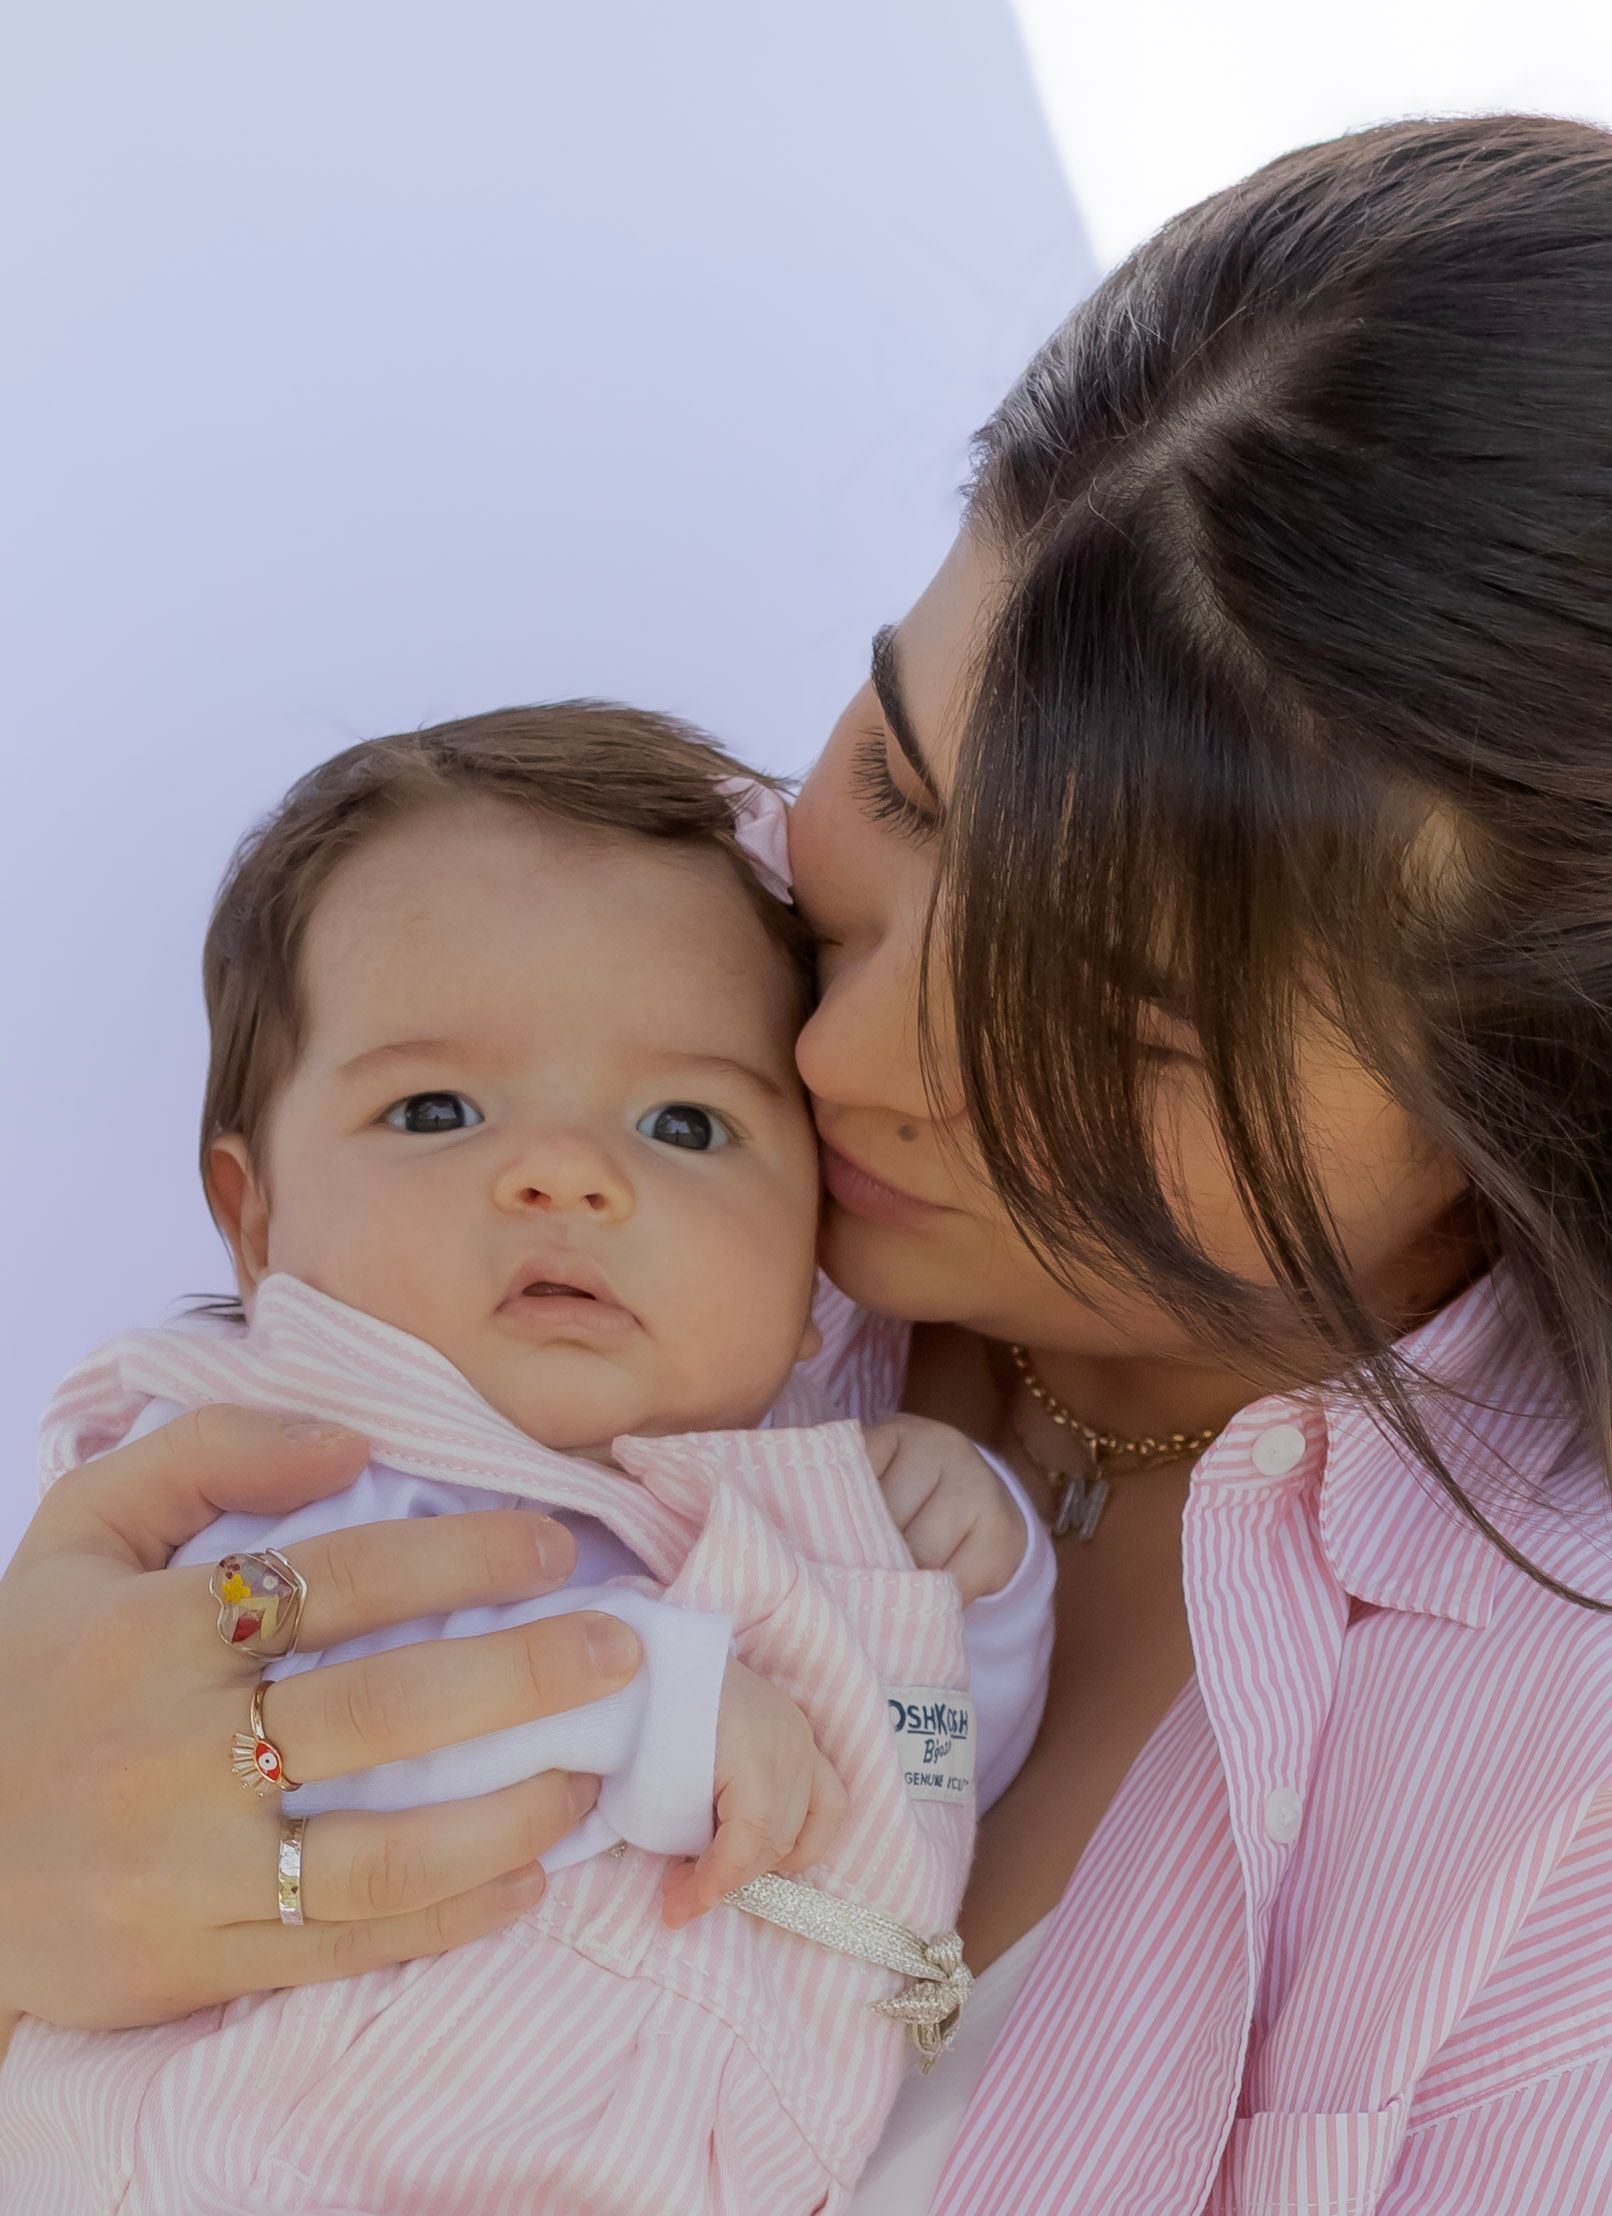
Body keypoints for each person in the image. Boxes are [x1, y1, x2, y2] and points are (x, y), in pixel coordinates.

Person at [4, 109, 1612, 2215]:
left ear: (1521, 1113)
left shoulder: (1541, 1801)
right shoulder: (592, 1046)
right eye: (902, 783)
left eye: (1107, 1025)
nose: (834, 1047)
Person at [0, 704, 1053, 2214]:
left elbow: (911, 1803)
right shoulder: (277, 1444)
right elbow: (308, 1722)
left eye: (685, 1123)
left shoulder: (787, 1492)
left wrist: (981, 1601)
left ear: (817, 1233)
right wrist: (645, 1700)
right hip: (246, 2152)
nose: (568, 1171)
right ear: (255, 1215)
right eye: (436, 1108)